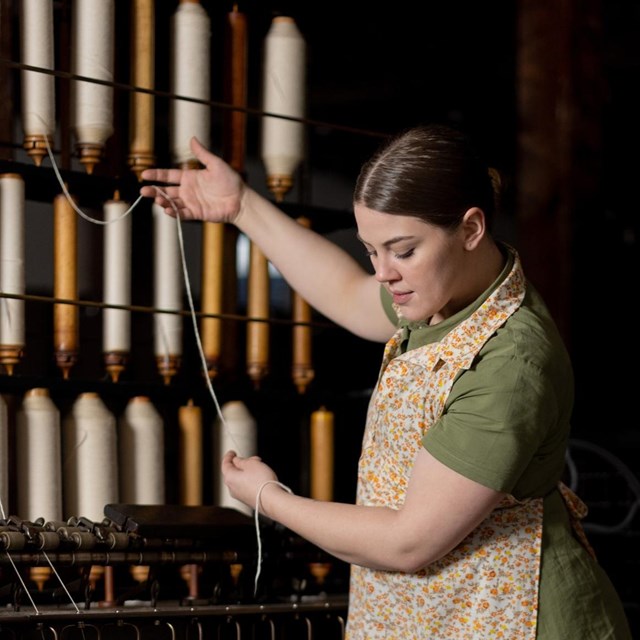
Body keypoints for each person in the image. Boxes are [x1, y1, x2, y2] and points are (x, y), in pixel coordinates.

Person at [141, 124, 632, 639]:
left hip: (518, 616)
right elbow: (350, 295)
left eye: (402, 250)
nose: (381, 273)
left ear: (470, 229)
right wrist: (243, 206)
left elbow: (408, 541)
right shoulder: (443, 296)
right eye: (372, 250)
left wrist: (268, 497)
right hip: (442, 608)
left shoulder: (509, 363)